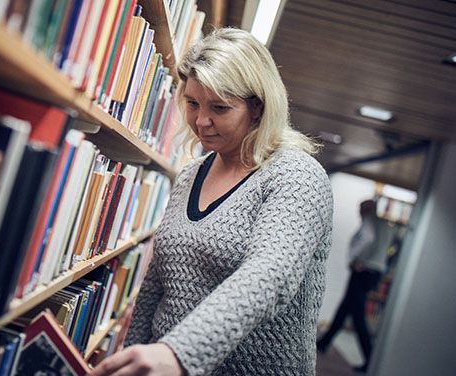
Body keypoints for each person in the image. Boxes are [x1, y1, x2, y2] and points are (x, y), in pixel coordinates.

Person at [89, 27, 333, 376]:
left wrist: (179, 353)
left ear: (257, 108)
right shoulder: (191, 175)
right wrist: (135, 354)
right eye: (192, 103)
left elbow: (269, 277)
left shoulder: (297, 175)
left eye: (219, 107)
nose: (201, 121)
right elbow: (158, 281)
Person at [317, 199, 394, 373]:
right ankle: (324, 342)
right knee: (345, 307)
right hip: (374, 272)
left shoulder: (370, 220)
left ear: (366, 210)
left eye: (360, 210)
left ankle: (370, 358)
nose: (359, 214)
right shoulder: (385, 225)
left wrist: (353, 259)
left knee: (358, 316)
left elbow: (367, 237)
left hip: (363, 270)